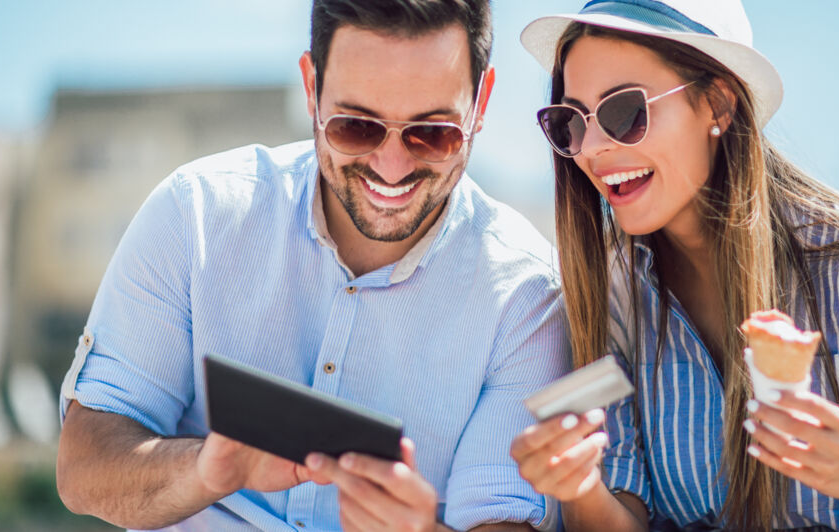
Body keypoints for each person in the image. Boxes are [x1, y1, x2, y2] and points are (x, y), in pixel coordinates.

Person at [55, 1, 568, 530]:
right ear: (310, 85)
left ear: (480, 101)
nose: (391, 168)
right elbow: (83, 469)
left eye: (433, 133)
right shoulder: (196, 214)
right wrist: (205, 471)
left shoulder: (527, 297)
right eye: (356, 127)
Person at [509, 0, 839, 530]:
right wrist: (580, 487)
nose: (591, 148)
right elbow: (625, 514)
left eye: (624, 112)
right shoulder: (614, 289)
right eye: (571, 121)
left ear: (718, 106)